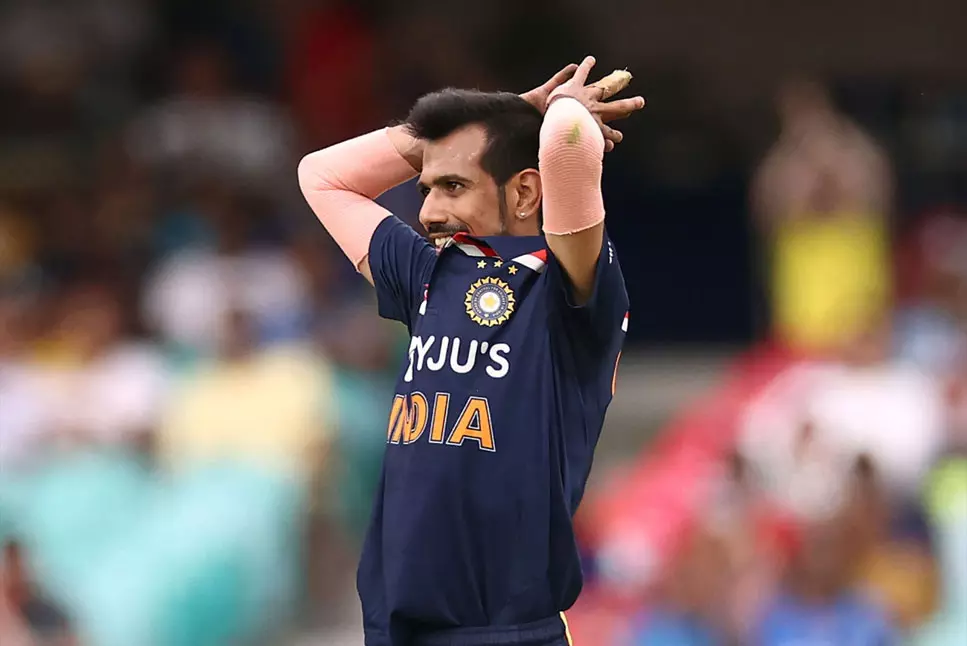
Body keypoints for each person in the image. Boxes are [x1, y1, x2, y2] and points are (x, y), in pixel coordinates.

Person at [298, 56, 645, 645]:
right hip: (396, 632)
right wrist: (501, 114)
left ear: (526, 191)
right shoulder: (426, 274)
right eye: (426, 187)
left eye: (453, 187)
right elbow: (321, 175)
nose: (428, 211)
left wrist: (548, 114)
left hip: (506, 632)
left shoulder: (567, 289)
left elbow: (566, 142)